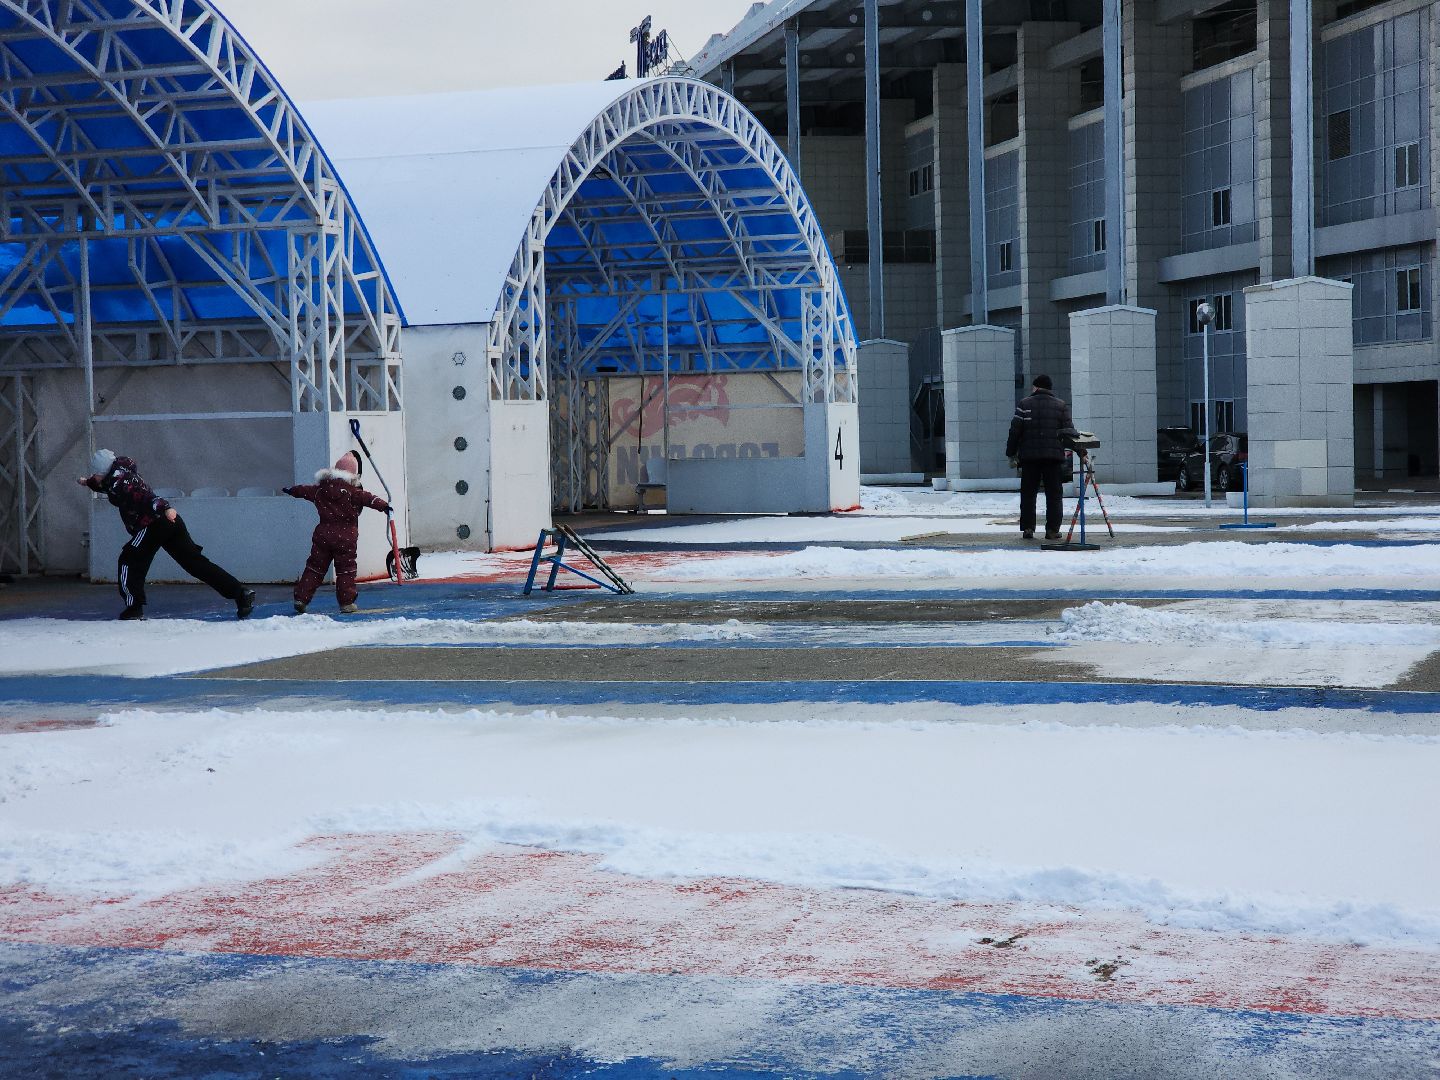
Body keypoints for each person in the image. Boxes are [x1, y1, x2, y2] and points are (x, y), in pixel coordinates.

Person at [78, 449, 255, 621]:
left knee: (129, 560)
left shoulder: (123, 482)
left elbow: (147, 497)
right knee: (194, 563)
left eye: (97, 473)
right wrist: (88, 482)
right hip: (171, 522)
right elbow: (105, 485)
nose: (96, 477)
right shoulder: (120, 472)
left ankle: (134, 608)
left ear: (105, 471)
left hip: (153, 522)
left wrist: (166, 508)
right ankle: (241, 594)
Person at [283, 451, 390, 614]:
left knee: (314, 567)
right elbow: (368, 499)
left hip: (323, 535)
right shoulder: (353, 492)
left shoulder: (320, 490)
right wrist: (384, 506)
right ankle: (346, 603)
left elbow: (304, 490)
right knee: (346, 570)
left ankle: (301, 598)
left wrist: (292, 490)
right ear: (353, 474)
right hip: (345, 537)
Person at [1005, 374, 1080, 541]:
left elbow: (1015, 431)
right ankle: (1052, 530)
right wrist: (1079, 451)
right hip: (1053, 458)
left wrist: (1010, 452)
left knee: (1028, 494)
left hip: (1030, 458)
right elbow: (1069, 431)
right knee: (1054, 495)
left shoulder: (1024, 404)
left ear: (1036, 387)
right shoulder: (1060, 406)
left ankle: (1028, 528)